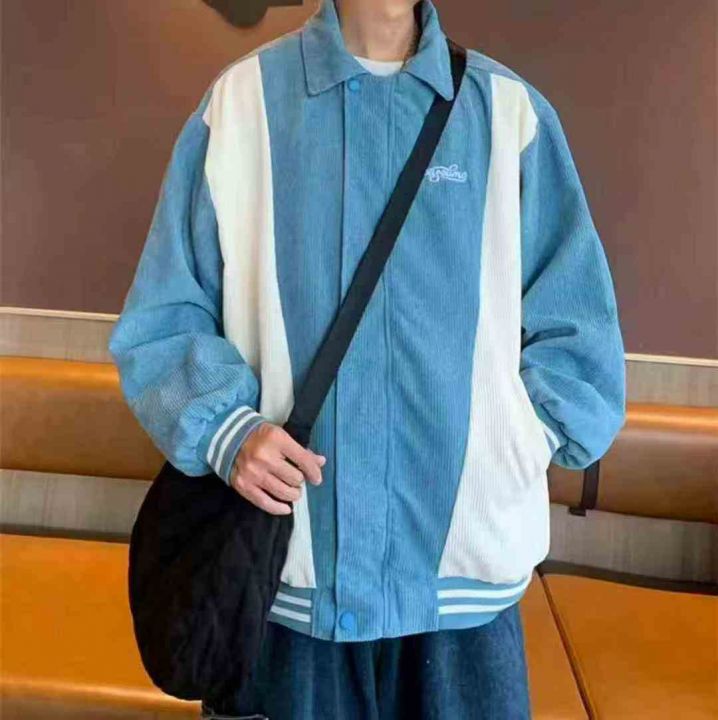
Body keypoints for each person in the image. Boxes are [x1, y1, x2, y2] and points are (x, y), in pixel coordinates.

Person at [108, 0, 626, 717]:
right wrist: (227, 431)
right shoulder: (243, 104)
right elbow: (164, 317)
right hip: (289, 578)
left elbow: (580, 337)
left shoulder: (509, 115)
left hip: (463, 590)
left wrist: (506, 442)